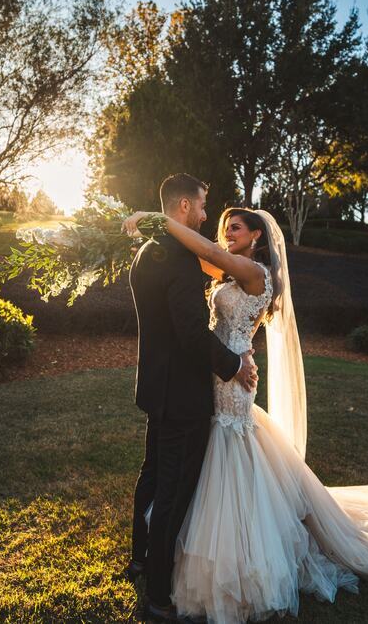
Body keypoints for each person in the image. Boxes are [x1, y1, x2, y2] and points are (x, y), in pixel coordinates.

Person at [123, 205, 368, 624]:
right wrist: (155, 234)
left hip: (233, 376)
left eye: (236, 228)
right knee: (209, 455)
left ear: (257, 235)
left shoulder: (253, 272)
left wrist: (160, 218)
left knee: (230, 450)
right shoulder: (229, 269)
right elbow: (196, 254)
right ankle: (181, 549)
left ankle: (237, 554)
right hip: (218, 371)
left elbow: (205, 251)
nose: (227, 234)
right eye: (225, 228)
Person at [124, 174, 259, 622]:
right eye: (201, 206)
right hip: (182, 396)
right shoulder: (180, 260)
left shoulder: (147, 251)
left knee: (151, 477)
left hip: (155, 388)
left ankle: (140, 559)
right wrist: (234, 364)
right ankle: (159, 597)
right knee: (173, 492)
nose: (205, 215)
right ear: (183, 206)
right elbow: (190, 334)